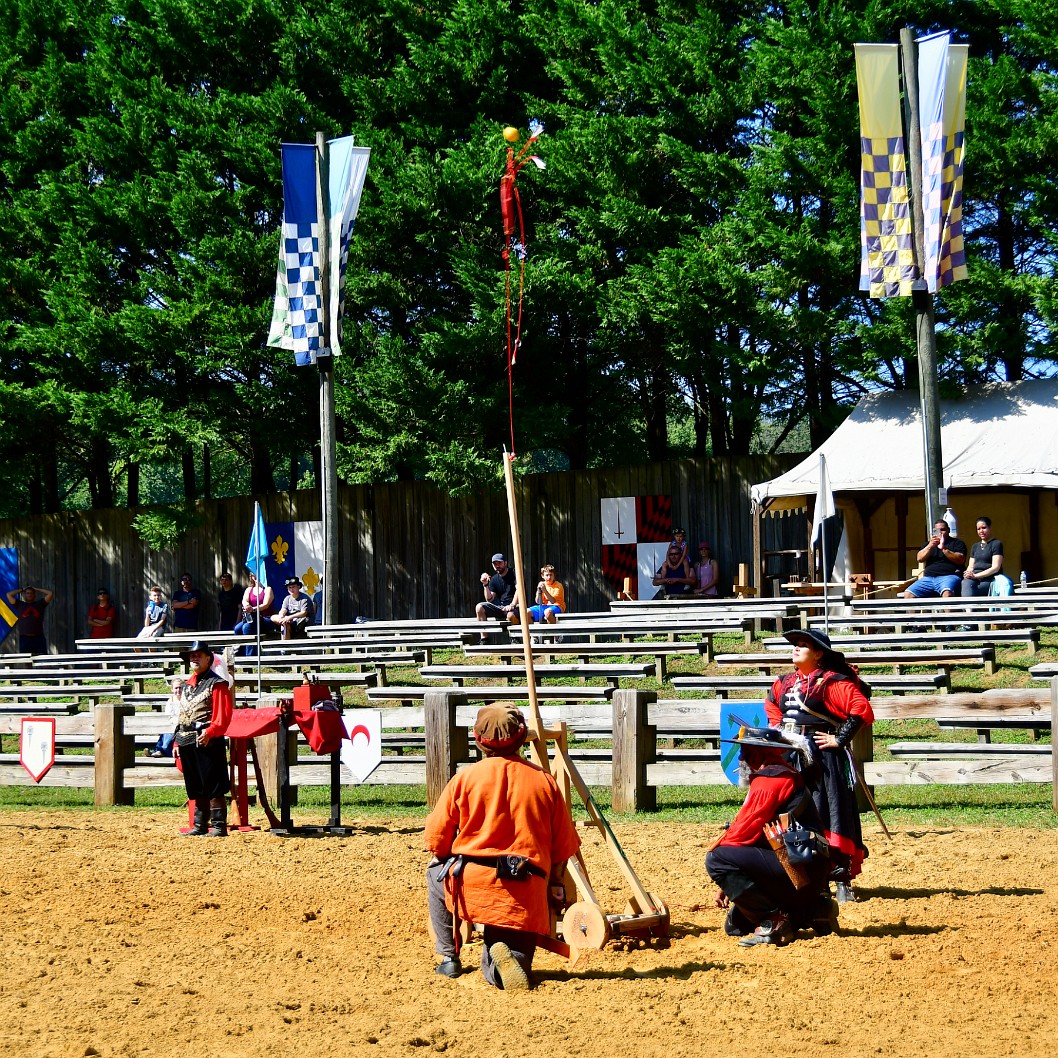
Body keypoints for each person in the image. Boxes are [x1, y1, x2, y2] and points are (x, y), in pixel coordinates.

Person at [424, 705, 581, 989]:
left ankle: (449, 957)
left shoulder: (464, 779)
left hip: (474, 882)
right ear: (523, 739)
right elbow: (562, 847)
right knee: (514, 958)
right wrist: (554, 882)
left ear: (478, 740)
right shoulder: (545, 782)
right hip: (526, 884)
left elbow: (436, 841)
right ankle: (505, 963)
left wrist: (450, 858)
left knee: (435, 874)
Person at [764, 629, 875, 903]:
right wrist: (781, 733)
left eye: (803, 646)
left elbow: (861, 710)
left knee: (831, 814)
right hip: (791, 758)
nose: (796, 649)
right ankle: (801, 874)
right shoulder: (783, 682)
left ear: (819, 654)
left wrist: (838, 739)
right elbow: (771, 707)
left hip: (824, 760)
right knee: (791, 815)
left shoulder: (832, 682)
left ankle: (841, 878)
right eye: (796, 645)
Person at [706, 723, 834, 947]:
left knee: (717, 859)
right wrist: (729, 884)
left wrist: (717, 855)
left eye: (745, 752)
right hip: (805, 870)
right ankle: (810, 911)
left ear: (758, 754)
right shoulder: (780, 773)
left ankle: (774, 922)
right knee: (735, 926)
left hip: (800, 872)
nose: (742, 758)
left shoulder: (770, 780)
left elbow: (740, 833)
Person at [173, 641, 233, 837]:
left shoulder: (218, 684)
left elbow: (223, 716)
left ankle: (218, 825)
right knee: (195, 783)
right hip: (186, 740)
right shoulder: (187, 686)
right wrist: (176, 740)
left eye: (199, 655)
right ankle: (199, 825)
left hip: (208, 739)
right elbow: (182, 715)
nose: (195, 658)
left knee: (213, 783)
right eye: (192, 656)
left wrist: (211, 732)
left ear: (209, 658)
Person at [899, 520, 967, 598]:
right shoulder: (928, 545)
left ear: (948, 530)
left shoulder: (957, 543)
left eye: (943, 530)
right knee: (908, 594)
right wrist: (930, 546)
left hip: (949, 576)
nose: (940, 532)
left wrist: (944, 549)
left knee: (947, 593)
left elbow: (960, 560)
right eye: (937, 530)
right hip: (928, 578)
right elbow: (919, 558)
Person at [475, 553, 518, 636]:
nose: (497, 566)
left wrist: (512, 605)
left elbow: (519, 590)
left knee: (510, 615)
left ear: (505, 563)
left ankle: (515, 637)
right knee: (479, 607)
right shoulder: (494, 579)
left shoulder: (514, 573)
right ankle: (484, 639)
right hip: (501, 607)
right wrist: (485, 585)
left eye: (499, 563)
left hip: (515, 606)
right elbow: (490, 599)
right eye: (495, 564)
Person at [5, 585, 55, 655]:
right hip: (24, 638)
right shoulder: (19, 604)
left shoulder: (40, 604)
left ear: (34, 594)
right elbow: (8, 595)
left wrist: (37, 589)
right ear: (24, 595)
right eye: (27, 593)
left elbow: (50, 593)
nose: (29, 595)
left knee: (43, 660)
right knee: (27, 661)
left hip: (38, 637)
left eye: (31, 593)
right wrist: (22, 589)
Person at [961, 517, 1004, 597]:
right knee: (965, 582)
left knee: (976, 589)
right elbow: (971, 566)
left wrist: (976, 576)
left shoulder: (996, 544)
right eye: (978, 529)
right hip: (974, 578)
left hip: (990, 578)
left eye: (984, 528)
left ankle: (972, 608)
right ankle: (969, 609)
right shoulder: (975, 546)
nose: (981, 531)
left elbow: (995, 568)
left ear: (990, 528)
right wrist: (968, 573)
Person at [233, 572, 275, 654]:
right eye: (253, 575)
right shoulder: (249, 589)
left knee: (247, 627)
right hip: (251, 619)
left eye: (258, 574)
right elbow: (244, 601)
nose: (255, 577)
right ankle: (240, 655)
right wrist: (246, 606)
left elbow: (265, 605)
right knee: (237, 628)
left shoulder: (267, 589)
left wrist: (253, 609)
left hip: (266, 619)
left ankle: (251, 657)